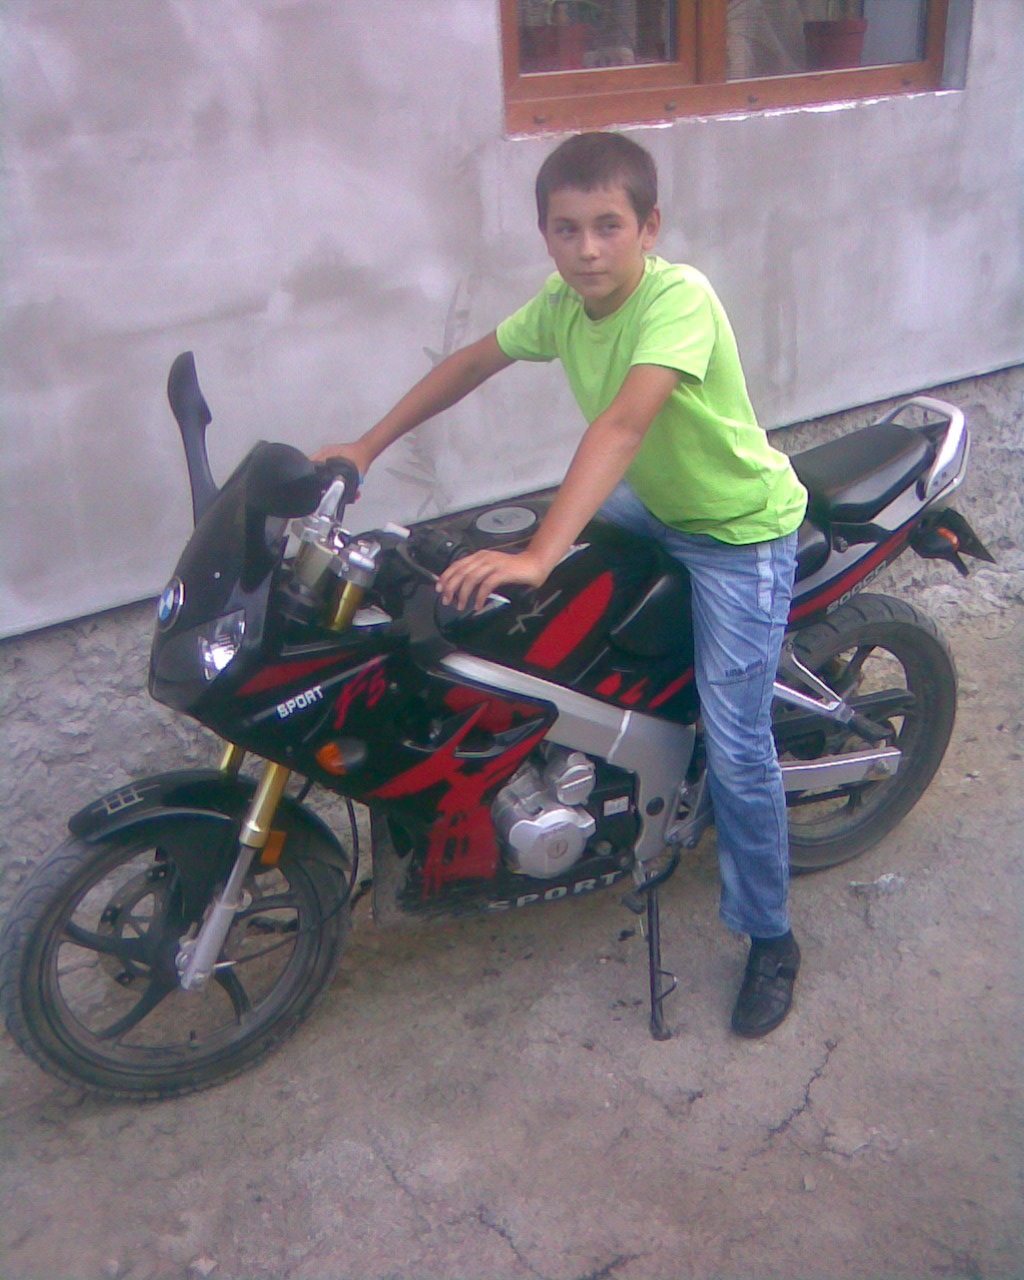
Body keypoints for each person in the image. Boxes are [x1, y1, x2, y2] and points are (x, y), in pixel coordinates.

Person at [315, 131, 808, 1038]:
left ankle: (770, 936)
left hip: (736, 531)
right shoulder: (562, 305)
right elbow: (471, 362)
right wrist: (366, 446)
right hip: (653, 502)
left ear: (649, 227)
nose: (587, 249)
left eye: (608, 226)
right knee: (513, 598)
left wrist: (543, 551)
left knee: (739, 743)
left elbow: (621, 426)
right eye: (566, 229)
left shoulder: (678, 299)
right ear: (545, 234)